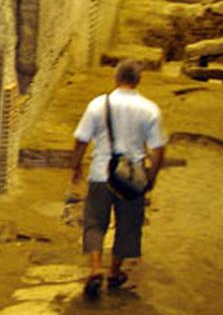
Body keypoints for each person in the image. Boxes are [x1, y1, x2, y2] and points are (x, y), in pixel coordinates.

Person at [69, 59, 167, 298]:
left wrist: (75, 165)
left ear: (116, 78)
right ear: (138, 80)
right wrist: (151, 176)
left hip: (101, 173)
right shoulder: (150, 109)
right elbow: (158, 149)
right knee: (128, 225)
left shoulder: (97, 105)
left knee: (94, 222)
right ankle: (114, 271)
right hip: (132, 176)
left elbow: (82, 139)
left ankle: (94, 269)